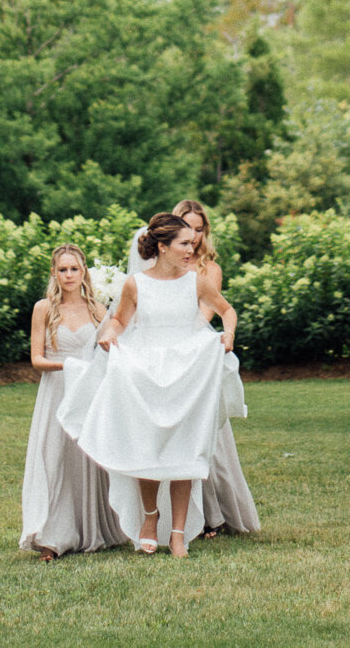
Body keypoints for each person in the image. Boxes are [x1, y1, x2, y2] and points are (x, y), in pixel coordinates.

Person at [60, 213, 240, 558]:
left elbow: (226, 310)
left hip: (187, 370)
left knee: (185, 449)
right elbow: (120, 320)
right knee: (151, 446)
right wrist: (110, 336)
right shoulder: (137, 284)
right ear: (163, 246)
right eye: (185, 244)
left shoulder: (196, 281)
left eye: (193, 242)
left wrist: (227, 334)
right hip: (148, 370)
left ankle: (177, 535)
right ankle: (149, 519)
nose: (193, 248)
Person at [20, 245, 127, 560]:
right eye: (62, 269)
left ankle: (93, 527)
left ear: (84, 272)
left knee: (88, 456)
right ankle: (53, 535)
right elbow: (37, 360)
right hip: (57, 389)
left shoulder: (97, 308)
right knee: (57, 458)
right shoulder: (44, 308)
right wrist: (68, 365)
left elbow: (110, 349)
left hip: (89, 391)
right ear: (54, 272)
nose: (68, 275)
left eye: (74, 269)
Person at [173, 199, 260, 540]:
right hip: (162, 348)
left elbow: (206, 315)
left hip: (195, 347)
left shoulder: (208, 268)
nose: (192, 236)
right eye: (186, 227)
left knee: (207, 435)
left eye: (198, 229)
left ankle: (215, 514)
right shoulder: (160, 262)